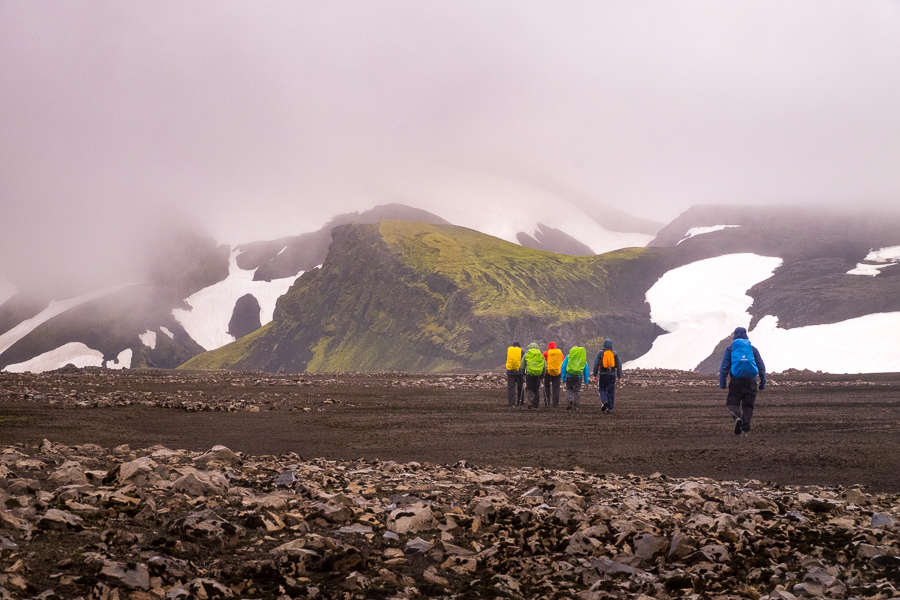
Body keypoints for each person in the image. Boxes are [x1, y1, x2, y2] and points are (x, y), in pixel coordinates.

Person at [719, 326, 766, 435]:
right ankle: (745, 428)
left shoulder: (730, 349)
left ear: (735, 336)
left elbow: (724, 367)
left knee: (732, 403)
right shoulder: (752, 349)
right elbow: (761, 366)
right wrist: (762, 382)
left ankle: (737, 418)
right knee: (748, 406)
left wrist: (722, 383)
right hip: (751, 381)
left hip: (736, 380)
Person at [592, 338, 623, 413]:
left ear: (604, 345)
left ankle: (604, 400)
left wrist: (594, 375)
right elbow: (619, 365)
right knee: (611, 391)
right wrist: (619, 376)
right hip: (612, 375)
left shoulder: (600, 353)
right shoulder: (615, 353)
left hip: (603, 374)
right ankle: (609, 407)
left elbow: (596, 364)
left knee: (602, 388)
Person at [561, 345, 590, 411]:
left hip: (569, 375)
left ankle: (570, 400)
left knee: (569, 388)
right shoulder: (581, 358)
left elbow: (563, 367)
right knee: (576, 391)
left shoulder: (568, 357)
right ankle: (576, 406)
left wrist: (563, 378)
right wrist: (586, 380)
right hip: (578, 376)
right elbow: (586, 369)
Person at [522, 342, 547, 409]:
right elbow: (545, 366)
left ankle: (531, 398)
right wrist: (543, 374)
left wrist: (523, 373)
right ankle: (536, 405)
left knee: (529, 388)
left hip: (529, 374)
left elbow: (522, 365)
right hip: (538, 374)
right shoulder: (541, 355)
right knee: (536, 389)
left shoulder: (526, 355)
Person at [543, 342, 563, 407]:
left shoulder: (546, 353)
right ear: (555, 346)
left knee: (547, 387)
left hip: (548, 373)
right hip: (557, 373)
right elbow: (563, 360)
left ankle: (547, 402)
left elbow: (542, 361)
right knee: (556, 388)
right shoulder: (559, 353)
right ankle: (555, 404)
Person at [505, 342, 525, 407]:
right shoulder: (521, 351)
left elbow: (507, 360)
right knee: (520, 388)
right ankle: (520, 403)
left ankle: (511, 403)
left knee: (511, 388)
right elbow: (523, 362)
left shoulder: (509, 351)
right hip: (519, 372)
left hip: (510, 372)